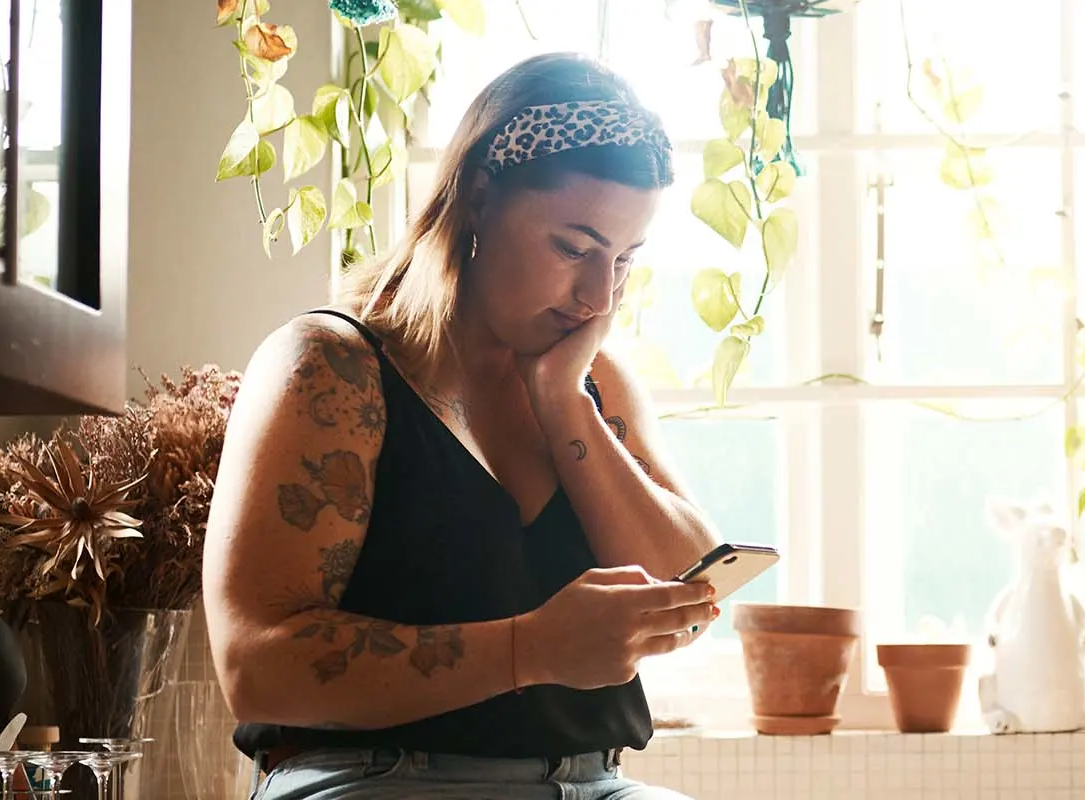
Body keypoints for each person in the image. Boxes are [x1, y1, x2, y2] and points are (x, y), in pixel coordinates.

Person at [203, 53, 722, 800]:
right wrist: (531, 648)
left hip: (597, 784)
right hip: (370, 779)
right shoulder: (331, 369)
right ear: (478, 197)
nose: (598, 296)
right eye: (573, 248)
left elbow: (686, 590)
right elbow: (257, 668)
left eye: (625, 259)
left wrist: (566, 404)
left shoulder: (593, 384)